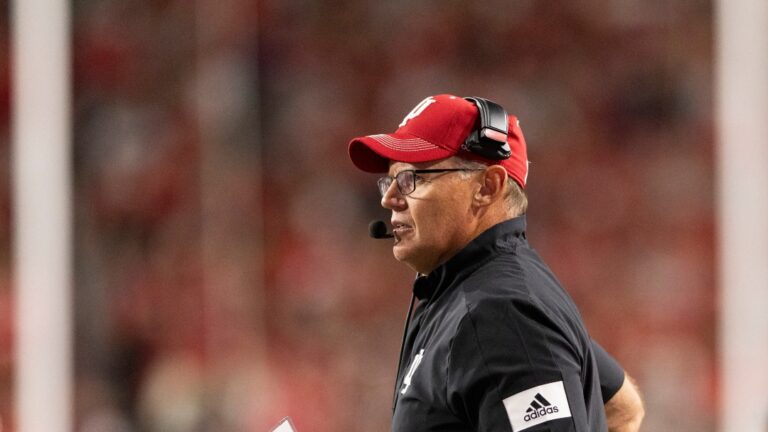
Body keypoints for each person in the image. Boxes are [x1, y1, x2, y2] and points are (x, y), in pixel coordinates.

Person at [347, 94, 644, 431]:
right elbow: (620, 407)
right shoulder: (470, 297)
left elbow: (622, 409)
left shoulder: (502, 314)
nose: (389, 198)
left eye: (413, 178)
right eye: (390, 180)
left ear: (487, 187)